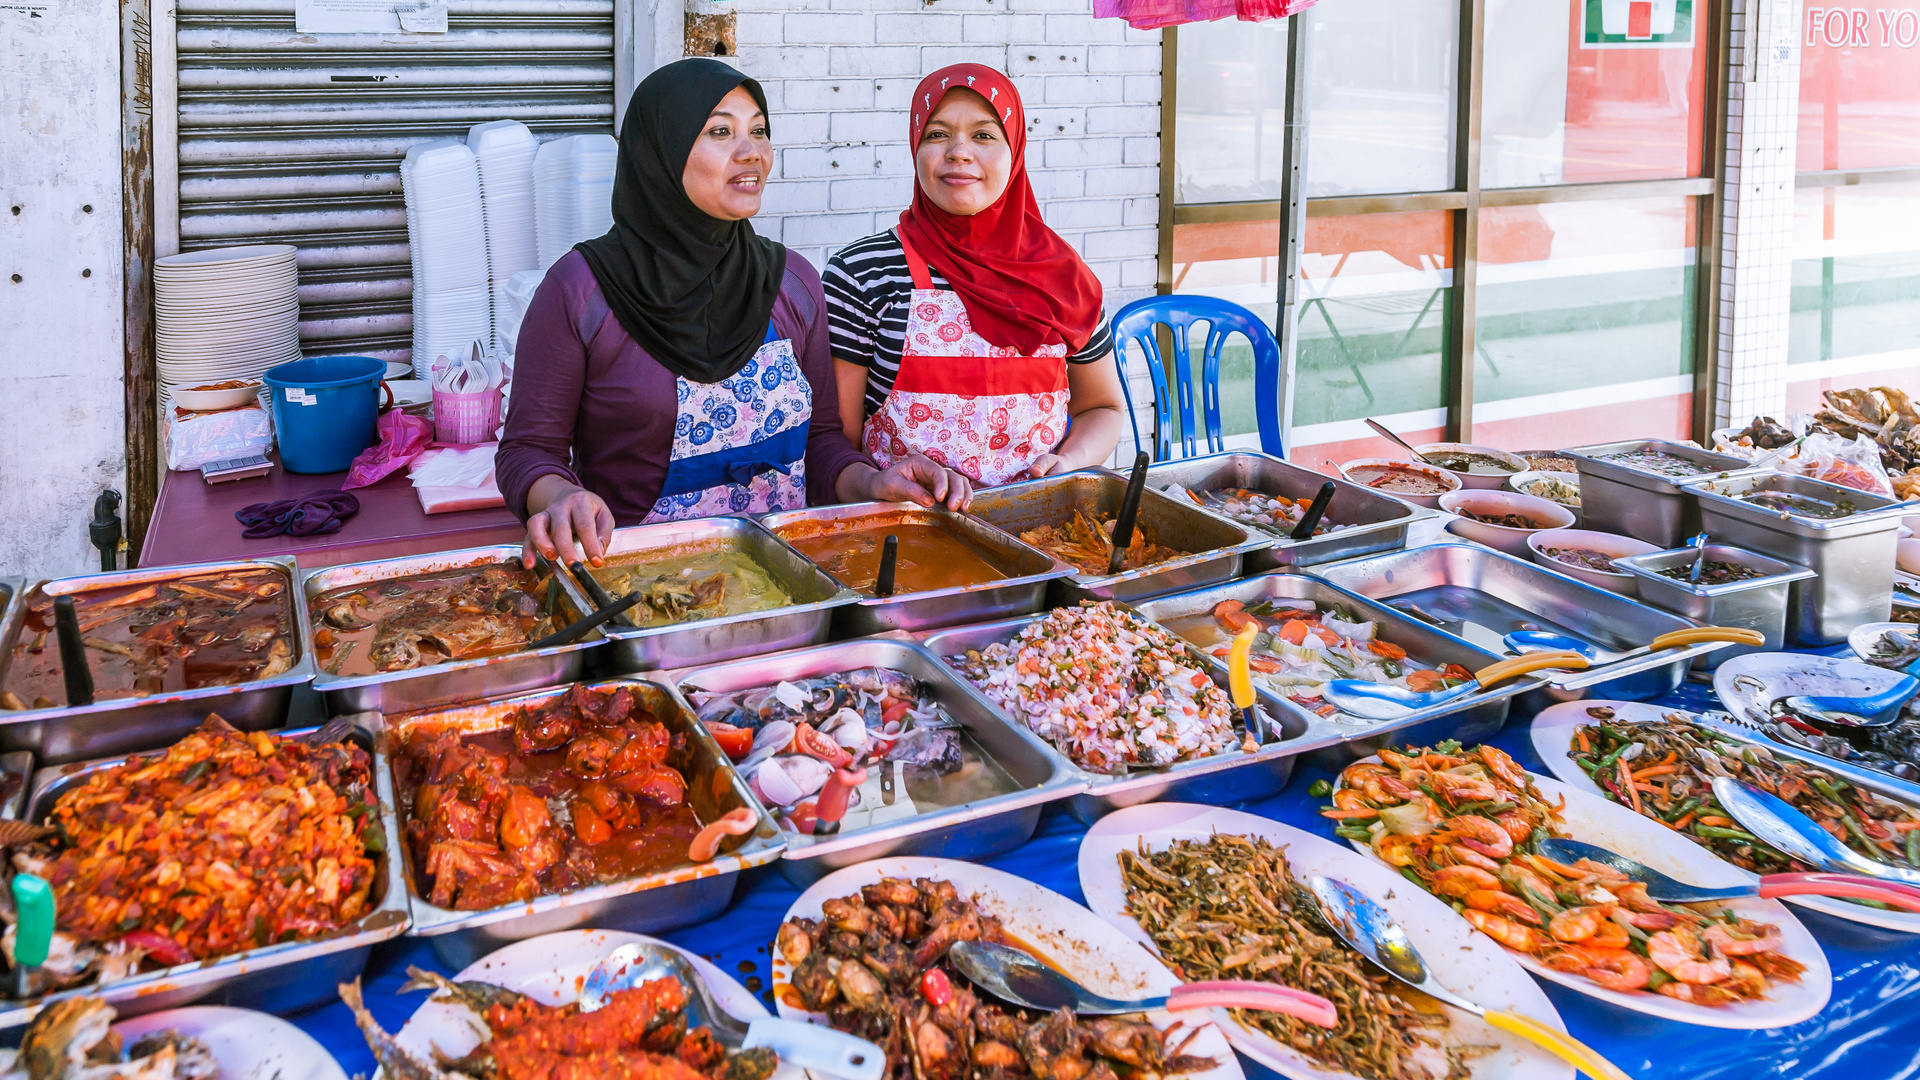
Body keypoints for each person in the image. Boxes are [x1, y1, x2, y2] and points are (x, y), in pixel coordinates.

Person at [497, 59, 964, 568]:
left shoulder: (792, 282)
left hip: (788, 578)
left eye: (759, 131)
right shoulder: (581, 291)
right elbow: (528, 451)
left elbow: (823, 442)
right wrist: (560, 498)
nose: (753, 153)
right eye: (721, 131)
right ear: (661, 149)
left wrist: (874, 481)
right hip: (636, 586)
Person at [825, 63, 1126, 494]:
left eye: (984, 135)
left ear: (1015, 149)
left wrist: (1070, 461)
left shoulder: (1064, 275)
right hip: (905, 537)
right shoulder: (862, 274)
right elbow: (834, 444)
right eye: (937, 134)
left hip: (1041, 534)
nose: (958, 152)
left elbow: (1104, 407)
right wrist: (874, 484)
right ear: (915, 147)